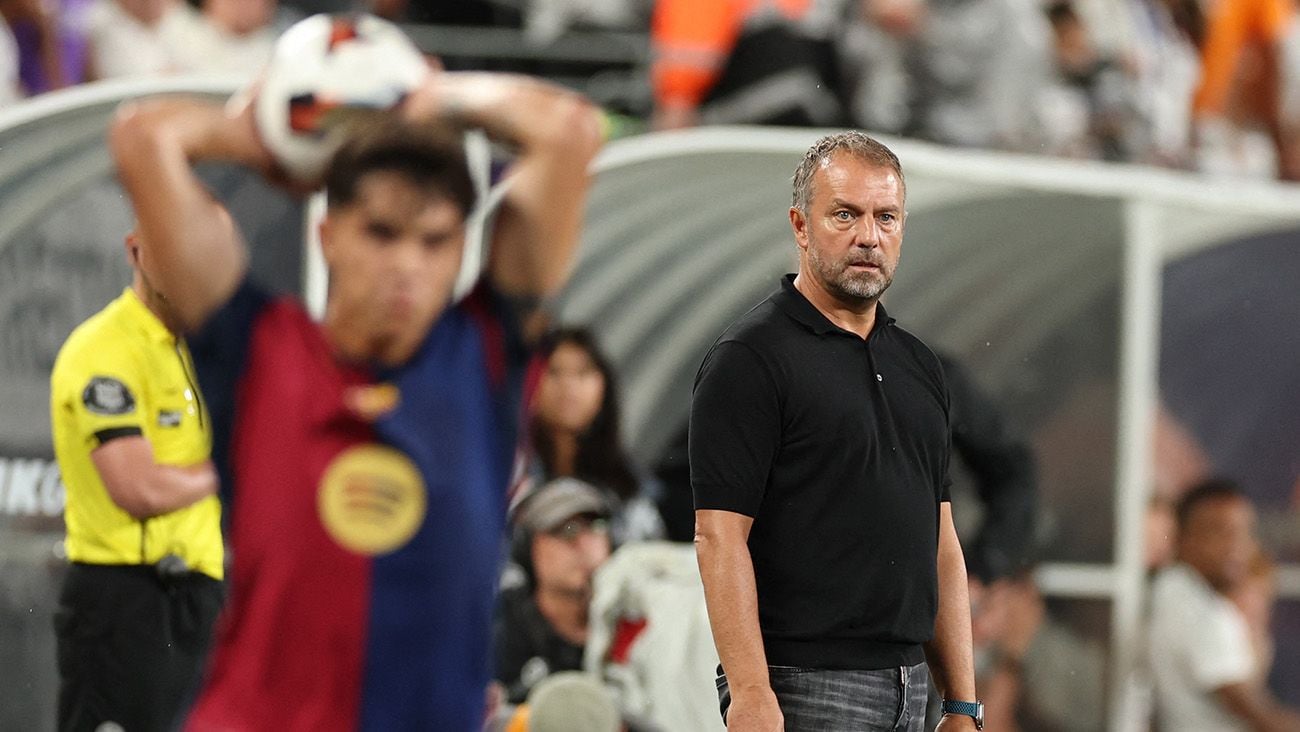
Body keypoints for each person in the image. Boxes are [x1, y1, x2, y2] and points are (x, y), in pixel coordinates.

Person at [107, 62, 603, 729]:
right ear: (327, 233)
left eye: (435, 242)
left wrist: (434, 99)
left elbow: (570, 131)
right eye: (380, 233)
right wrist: (272, 143)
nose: (408, 265)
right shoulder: (257, 348)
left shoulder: (486, 352)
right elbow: (143, 137)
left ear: (462, 252)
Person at [690, 131, 980, 731]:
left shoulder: (920, 365)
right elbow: (719, 539)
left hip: (915, 687)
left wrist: (961, 702)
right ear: (801, 225)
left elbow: (941, 544)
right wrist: (749, 691)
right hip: (805, 685)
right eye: (845, 214)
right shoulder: (750, 358)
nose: (868, 237)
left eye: (886, 217)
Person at [49, 229, 225, 731]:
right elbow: (138, 490)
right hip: (125, 601)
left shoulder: (203, 352)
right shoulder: (103, 349)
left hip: (202, 597)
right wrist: (225, 468)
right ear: (134, 248)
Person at [1147, 478, 1300, 732]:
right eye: (1220, 532)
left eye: (1244, 533)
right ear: (1183, 538)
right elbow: (1256, 713)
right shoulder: (1196, 610)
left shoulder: (1178, 591)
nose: (1236, 547)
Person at [527, 327, 665, 544]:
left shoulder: (627, 480)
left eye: (582, 373)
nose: (569, 386)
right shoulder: (512, 472)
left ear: (604, 386)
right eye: (553, 372)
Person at [494, 477, 614, 704]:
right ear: (527, 548)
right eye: (567, 530)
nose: (585, 543)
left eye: (596, 526)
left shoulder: (635, 623)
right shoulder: (501, 634)